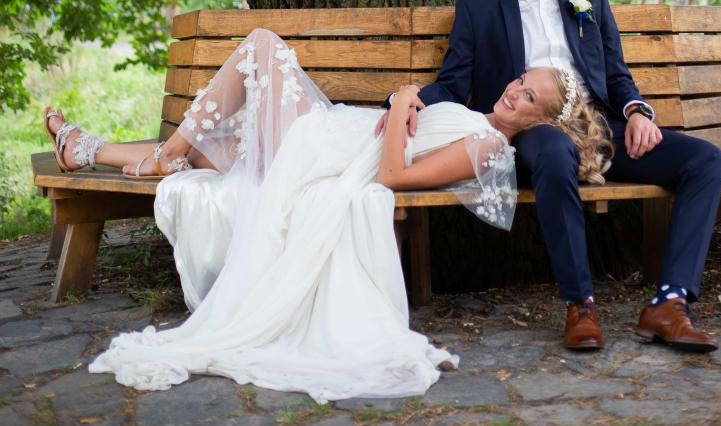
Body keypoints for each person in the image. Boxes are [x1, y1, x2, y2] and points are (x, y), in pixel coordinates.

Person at [43, 27, 610, 401]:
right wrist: (404, 106)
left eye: (529, 97)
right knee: (216, 149)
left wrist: (403, 102)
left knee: (262, 47)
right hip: (339, 135)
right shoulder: (477, 117)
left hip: (334, 155)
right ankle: (84, 149)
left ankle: (164, 152)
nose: (514, 92)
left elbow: (392, 176)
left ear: (542, 121)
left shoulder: (489, 148)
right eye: (521, 81)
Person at [391, 0, 721, 353]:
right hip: (533, 130)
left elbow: (616, 74)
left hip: (599, 128)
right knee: (552, 151)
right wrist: (404, 99)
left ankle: (670, 304)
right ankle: (580, 304)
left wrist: (636, 111)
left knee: (706, 161)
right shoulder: (478, 8)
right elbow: (451, 84)